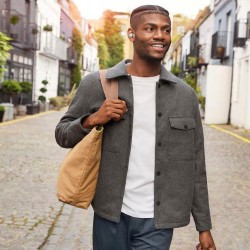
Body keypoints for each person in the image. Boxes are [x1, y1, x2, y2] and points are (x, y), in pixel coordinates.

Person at [55, 5, 216, 250]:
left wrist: (204, 228)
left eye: (165, 30)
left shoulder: (185, 96)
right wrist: (93, 119)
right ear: (132, 34)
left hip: (158, 221)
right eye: (150, 29)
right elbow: (62, 135)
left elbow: (197, 165)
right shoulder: (97, 84)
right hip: (111, 213)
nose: (160, 35)